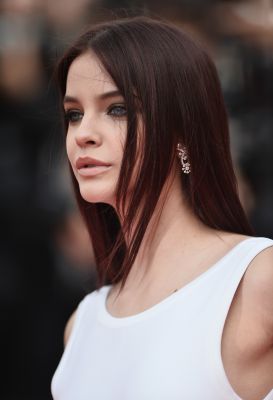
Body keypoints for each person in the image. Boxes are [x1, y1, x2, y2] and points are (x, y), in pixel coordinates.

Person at [51, 16, 273, 400]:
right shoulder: (82, 323)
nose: (83, 133)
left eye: (117, 109)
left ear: (181, 132)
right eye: (74, 114)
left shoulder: (256, 281)